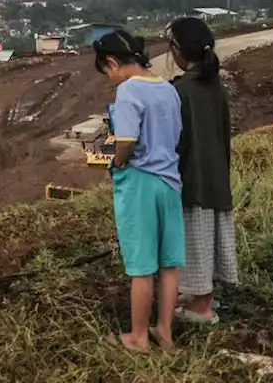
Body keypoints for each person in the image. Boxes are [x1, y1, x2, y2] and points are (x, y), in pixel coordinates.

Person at [94, 29, 185, 352]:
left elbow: (127, 140)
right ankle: (164, 331)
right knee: (169, 263)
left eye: (106, 71)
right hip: (170, 182)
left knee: (142, 266)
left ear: (112, 62)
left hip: (141, 184)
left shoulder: (129, 91)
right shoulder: (167, 88)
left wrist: (118, 163)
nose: (110, 78)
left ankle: (137, 337)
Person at [168, 16, 238, 325]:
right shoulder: (215, 88)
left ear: (179, 50)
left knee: (195, 238)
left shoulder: (181, 91)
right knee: (208, 238)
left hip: (192, 178)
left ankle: (202, 307)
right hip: (217, 177)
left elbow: (177, 141)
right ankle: (203, 296)